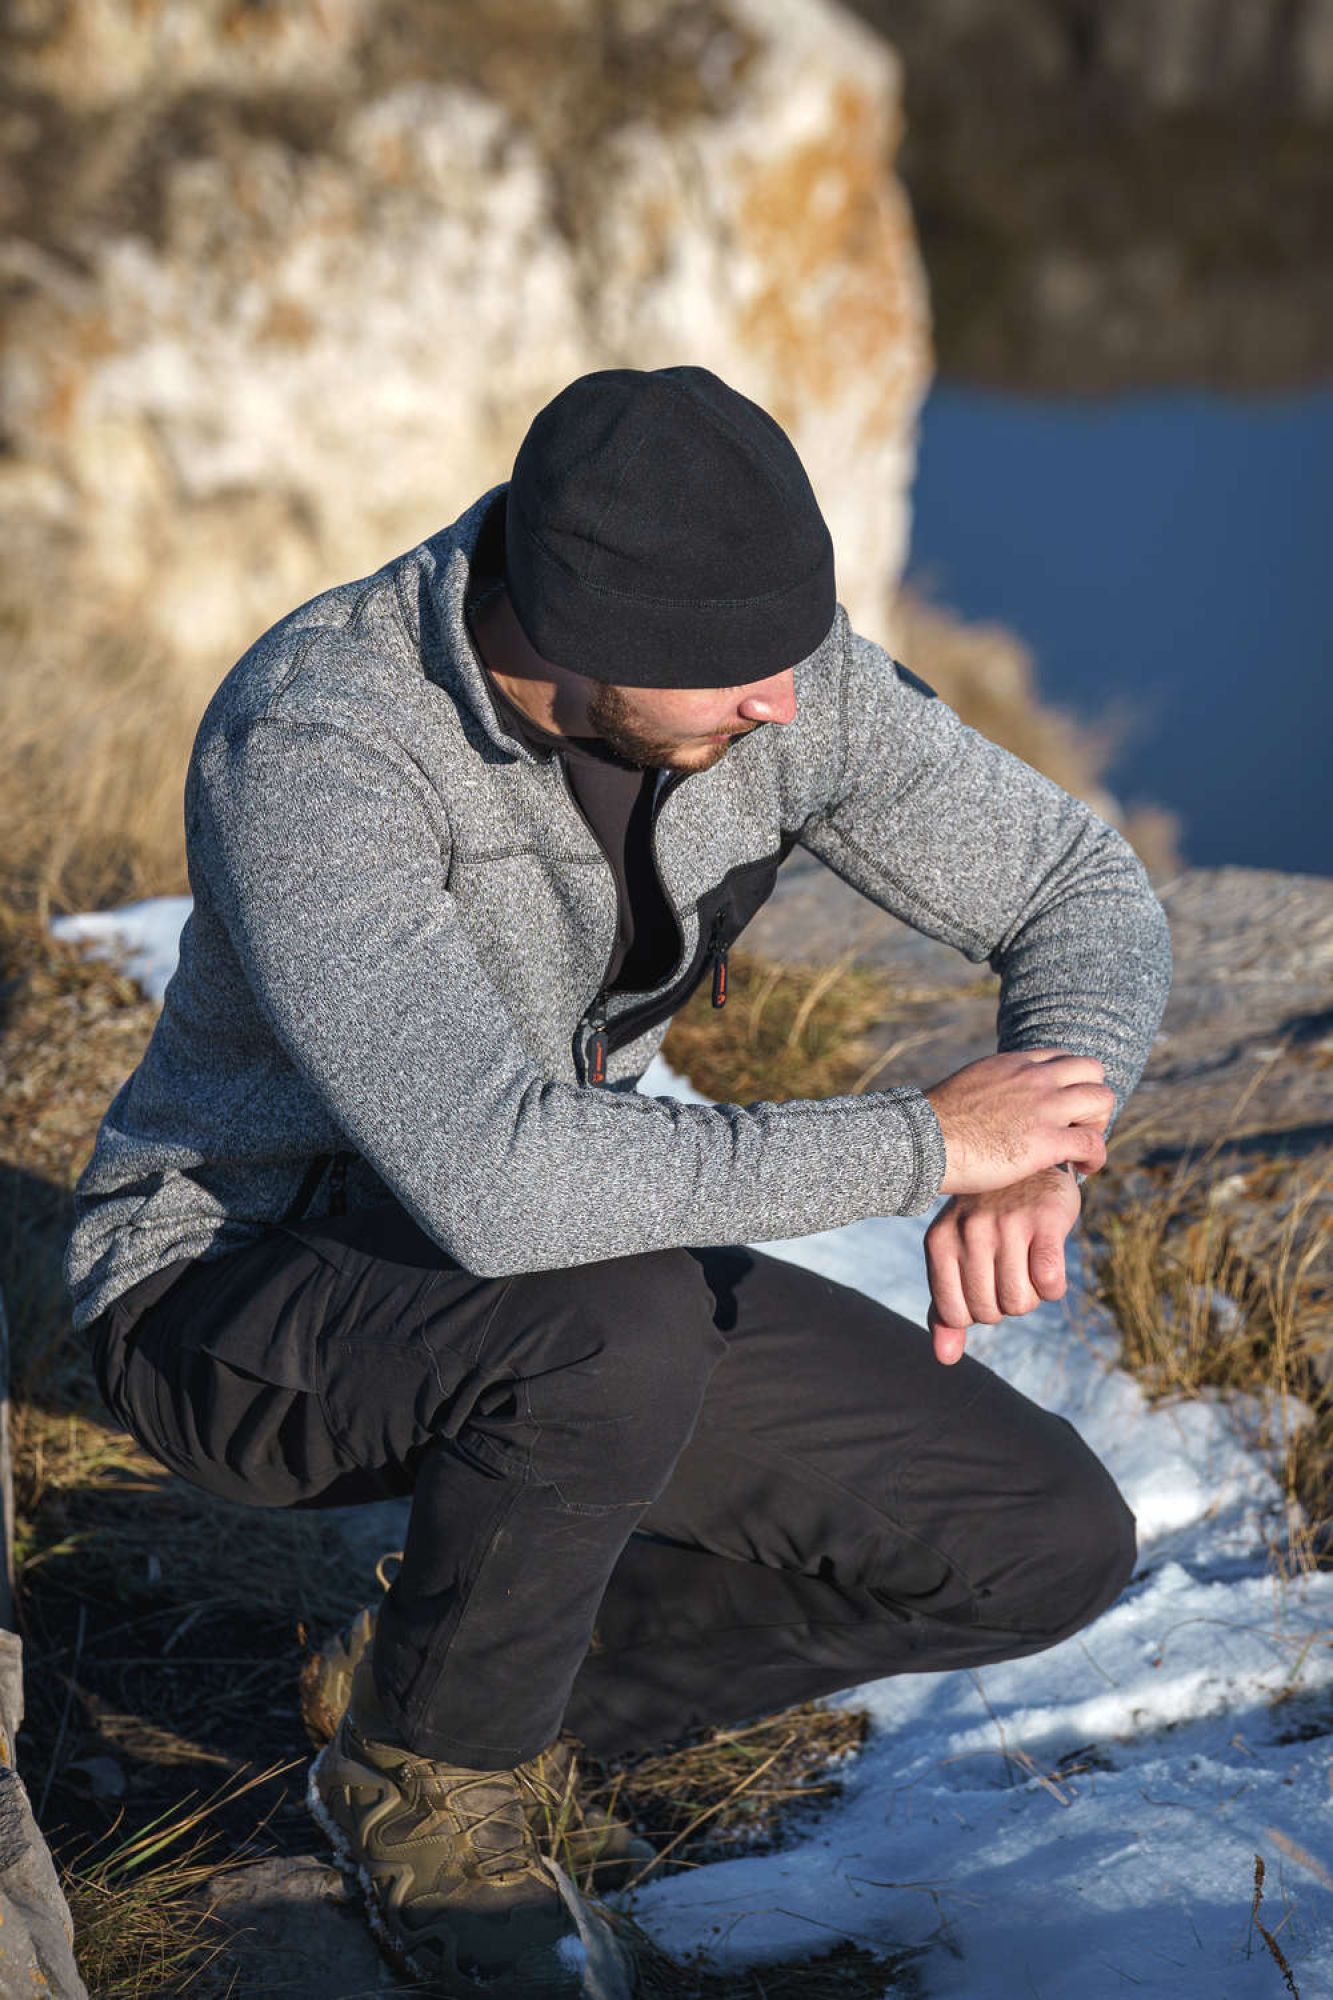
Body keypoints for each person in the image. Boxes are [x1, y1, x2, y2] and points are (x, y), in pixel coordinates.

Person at [64, 365, 1172, 1996]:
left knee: (1035, 1538)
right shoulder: (320, 737)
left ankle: (431, 1691)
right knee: (615, 1319)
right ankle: (426, 1802)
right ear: (574, 633)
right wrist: (929, 1144)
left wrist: (1046, 1139)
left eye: (795, 650)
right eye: (736, 671)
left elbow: (1077, 886)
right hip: (231, 1294)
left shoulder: (775, 679)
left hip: (568, 1278)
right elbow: (499, 1184)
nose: (784, 704)